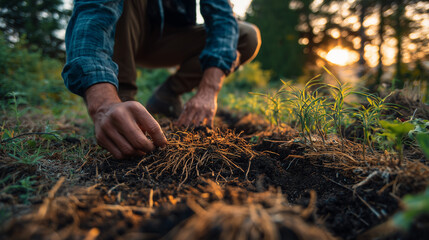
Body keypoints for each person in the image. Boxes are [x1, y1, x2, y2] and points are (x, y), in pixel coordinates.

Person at [62, 0, 261, 159]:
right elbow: (93, 16)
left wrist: (209, 90)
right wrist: (102, 104)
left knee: (246, 36)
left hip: (171, 39)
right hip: (125, 30)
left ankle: (167, 95)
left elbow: (222, 18)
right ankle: (121, 106)